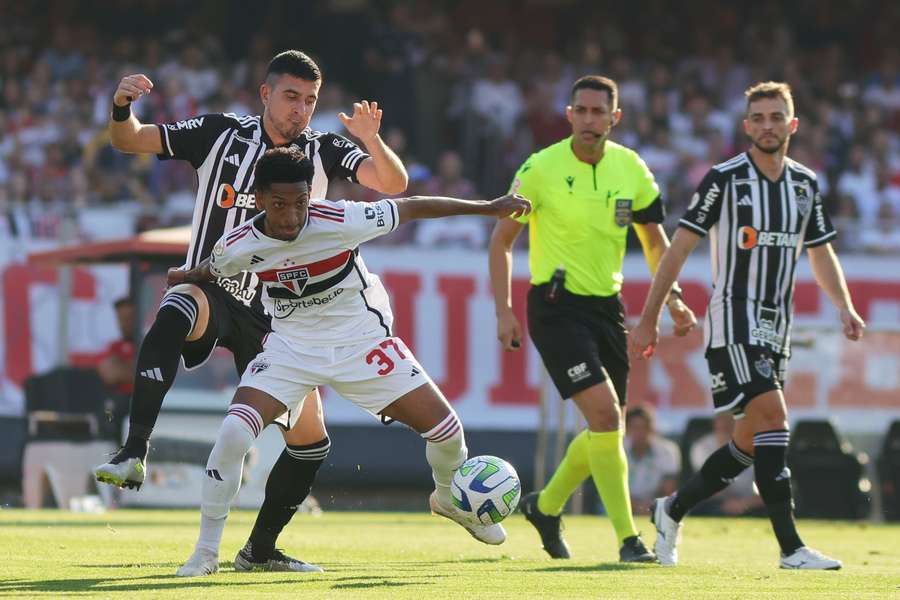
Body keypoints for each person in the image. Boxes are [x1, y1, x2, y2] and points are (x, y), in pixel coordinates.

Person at [93, 50, 409, 572]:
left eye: (309, 101)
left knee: (310, 444)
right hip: (214, 289)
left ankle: (259, 551)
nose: (300, 110)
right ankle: (134, 449)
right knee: (177, 306)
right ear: (265, 94)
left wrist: (371, 138)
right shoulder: (219, 134)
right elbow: (129, 139)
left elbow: (392, 184)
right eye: (290, 97)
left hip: (282, 315)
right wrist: (122, 105)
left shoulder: (325, 149)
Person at [168, 146, 531, 576]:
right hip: (292, 347)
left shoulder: (339, 219)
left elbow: (411, 207)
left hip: (361, 342)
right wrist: (187, 276)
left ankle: (448, 499)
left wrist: (488, 208)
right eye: (280, 204)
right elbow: (215, 266)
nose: (291, 216)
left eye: (301, 203)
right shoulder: (240, 242)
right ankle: (206, 553)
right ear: (260, 199)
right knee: (233, 431)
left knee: (448, 433)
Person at [629, 81, 866, 570]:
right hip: (733, 321)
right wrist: (650, 318)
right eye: (758, 118)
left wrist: (843, 304)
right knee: (776, 419)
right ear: (746, 126)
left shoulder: (804, 184)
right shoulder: (724, 179)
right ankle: (790, 547)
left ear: (792, 125)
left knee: (747, 443)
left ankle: (671, 509)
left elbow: (820, 253)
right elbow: (678, 248)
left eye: (776, 117)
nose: (767, 126)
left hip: (777, 326)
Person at [488, 75, 697, 562]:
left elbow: (654, 242)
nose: (588, 119)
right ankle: (628, 540)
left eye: (598, 112)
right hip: (556, 307)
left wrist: (675, 299)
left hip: (608, 307)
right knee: (605, 417)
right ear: (569, 114)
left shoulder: (633, 170)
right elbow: (501, 241)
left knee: (608, 428)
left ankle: (546, 506)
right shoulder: (540, 168)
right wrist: (503, 309)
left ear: (614, 117)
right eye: (580, 110)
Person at [689, 413, 763, 517]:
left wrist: (744, 503)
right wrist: (730, 503)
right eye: (721, 419)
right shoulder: (701, 447)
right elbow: (706, 485)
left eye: (730, 420)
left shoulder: (755, 447)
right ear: (715, 423)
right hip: (715, 502)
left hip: (748, 503)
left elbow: (768, 489)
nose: (725, 425)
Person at [624, 405, 680, 515]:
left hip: (657, 507)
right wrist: (636, 507)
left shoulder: (668, 450)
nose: (639, 433)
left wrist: (652, 507)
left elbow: (669, 489)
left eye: (644, 427)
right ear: (627, 429)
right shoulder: (618, 450)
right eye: (635, 427)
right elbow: (614, 490)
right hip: (623, 505)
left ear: (652, 429)